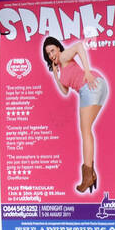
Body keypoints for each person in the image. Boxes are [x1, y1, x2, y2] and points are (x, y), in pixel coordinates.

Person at [43, 36, 106, 194]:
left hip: (89, 86)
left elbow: (79, 46)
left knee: (85, 131)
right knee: (87, 130)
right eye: (48, 54)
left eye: (52, 50)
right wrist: (55, 75)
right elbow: (65, 92)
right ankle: (90, 174)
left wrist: (87, 71)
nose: (51, 55)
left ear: (58, 48)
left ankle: (88, 176)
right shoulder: (61, 67)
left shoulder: (64, 56)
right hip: (98, 87)